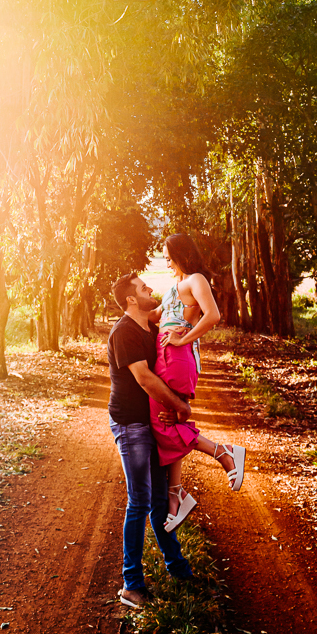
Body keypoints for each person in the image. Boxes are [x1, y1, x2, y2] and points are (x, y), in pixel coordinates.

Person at [108, 271, 195, 609]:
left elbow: (180, 309)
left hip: (152, 422)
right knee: (141, 502)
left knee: (160, 500)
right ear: (131, 299)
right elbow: (144, 378)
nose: (150, 289)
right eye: (143, 288)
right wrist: (180, 407)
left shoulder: (151, 326)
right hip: (131, 425)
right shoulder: (124, 332)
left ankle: (178, 568)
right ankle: (131, 584)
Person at [150, 233, 246, 531]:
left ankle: (223, 453)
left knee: (163, 422)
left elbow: (213, 315)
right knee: (169, 419)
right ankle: (176, 493)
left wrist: (182, 339)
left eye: (168, 256)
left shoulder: (195, 279)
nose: (166, 262)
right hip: (164, 356)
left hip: (177, 358)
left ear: (181, 254)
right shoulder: (175, 286)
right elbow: (157, 316)